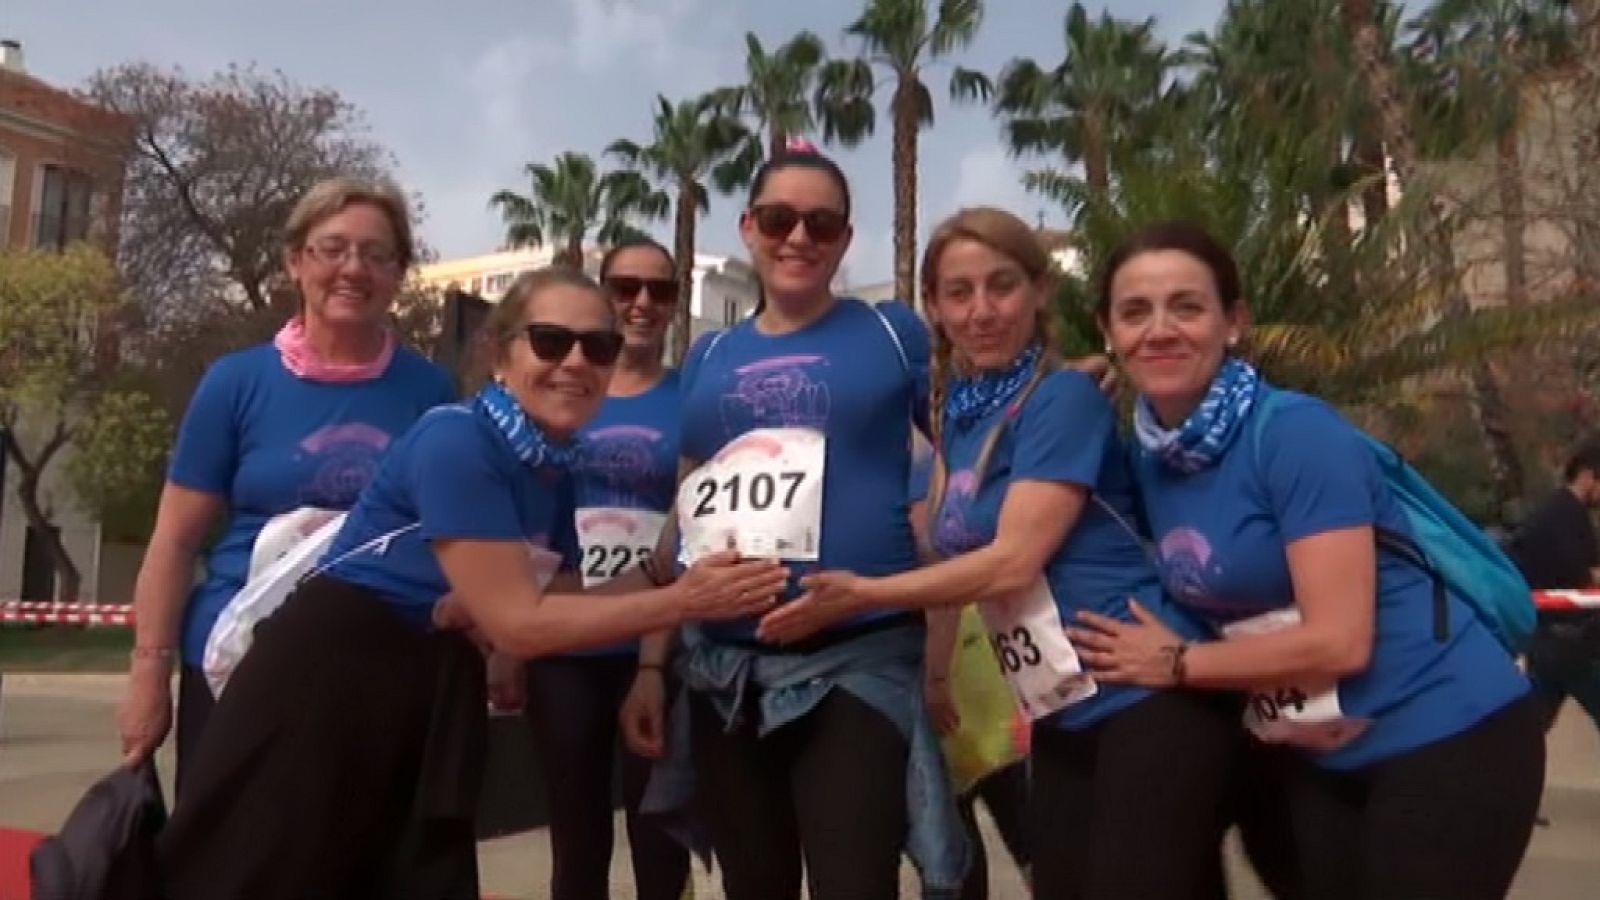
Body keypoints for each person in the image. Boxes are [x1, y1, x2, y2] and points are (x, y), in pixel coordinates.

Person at [155, 267, 788, 900]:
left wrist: (664, 570)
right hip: (329, 686)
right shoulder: (457, 439)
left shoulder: (549, 468)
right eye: (550, 341)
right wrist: (684, 600)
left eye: (598, 347)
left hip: (424, 688)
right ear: (499, 355)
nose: (576, 362)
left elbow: (560, 599)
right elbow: (521, 625)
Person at [760, 208, 1236, 900]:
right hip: (1065, 710)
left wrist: (863, 593)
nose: (981, 311)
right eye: (959, 293)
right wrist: (935, 667)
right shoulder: (961, 412)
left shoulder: (1065, 396)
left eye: (1002, 286)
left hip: (1145, 694)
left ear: (1041, 291)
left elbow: (1013, 562)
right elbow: (949, 551)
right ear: (934, 307)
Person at [1072, 221, 1545, 900]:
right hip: (1315, 756)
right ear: (1109, 332)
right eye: (1135, 312)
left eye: (1188, 306)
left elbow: (1339, 640)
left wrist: (1176, 663)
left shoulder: (1294, 433)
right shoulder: (1151, 457)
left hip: (1446, 733)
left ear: (1234, 322)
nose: (1161, 329)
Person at [618, 145, 970, 900]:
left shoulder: (891, 333)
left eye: (821, 223)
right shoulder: (709, 354)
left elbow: (957, 454)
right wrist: (653, 665)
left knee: (852, 882)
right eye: (779, 219)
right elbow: (684, 513)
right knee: (755, 885)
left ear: (845, 239)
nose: (799, 238)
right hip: (723, 672)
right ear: (749, 228)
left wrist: (944, 635)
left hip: (858, 659)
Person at [117, 177, 458, 791]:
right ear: (295, 261)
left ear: (399, 273)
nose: (353, 269)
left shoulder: (430, 393)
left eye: (376, 255)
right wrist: (149, 674)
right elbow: (173, 542)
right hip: (235, 661)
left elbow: (444, 539)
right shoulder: (234, 383)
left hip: (372, 666)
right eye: (332, 249)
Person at [517, 239, 691, 900]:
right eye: (625, 288)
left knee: (660, 837)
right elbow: (523, 523)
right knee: (577, 838)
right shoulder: (562, 389)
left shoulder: (690, 397)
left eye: (661, 291)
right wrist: (507, 641)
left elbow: (694, 528)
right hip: (566, 642)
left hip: (658, 646)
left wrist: (654, 658)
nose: (642, 303)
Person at [1508, 438, 1600, 733]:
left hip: (1550, 639)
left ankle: (1499, 772)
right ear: (1588, 475)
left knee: (1530, 725)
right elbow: (1582, 575)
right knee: (1531, 723)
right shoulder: (1564, 516)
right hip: (1570, 641)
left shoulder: (1562, 513)